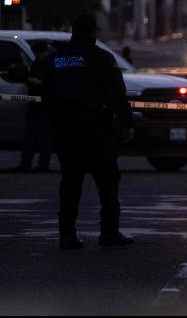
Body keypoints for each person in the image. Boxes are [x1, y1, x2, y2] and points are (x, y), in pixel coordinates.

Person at [43, 15, 135, 250]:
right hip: (96, 130)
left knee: (70, 183)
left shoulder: (57, 59)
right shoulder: (101, 58)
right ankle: (109, 232)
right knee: (108, 182)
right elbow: (117, 94)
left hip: (67, 131)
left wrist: (57, 121)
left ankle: (67, 234)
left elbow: (46, 96)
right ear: (94, 32)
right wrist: (127, 123)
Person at [12, 41, 54, 172]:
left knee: (44, 136)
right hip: (35, 104)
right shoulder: (37, 64)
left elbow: (54, 85)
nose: (36, 56)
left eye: (37, 54)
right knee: (31, 135)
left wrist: (40, 83)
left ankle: (42, 163)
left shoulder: (50, 65)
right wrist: (30, 81)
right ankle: (27, 162)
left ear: (42, 52)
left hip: (45, 105)